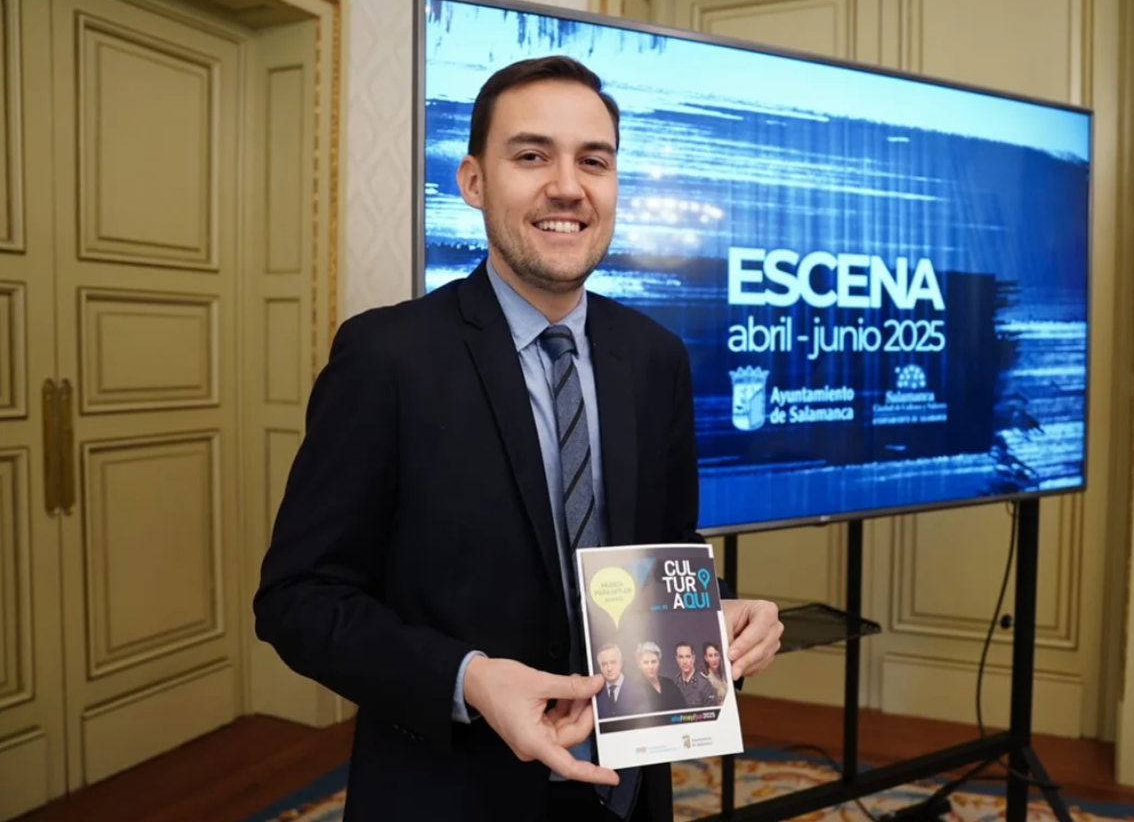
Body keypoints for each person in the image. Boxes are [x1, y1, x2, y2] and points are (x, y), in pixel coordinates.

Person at [252, 54, 784, 822]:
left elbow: (662, 546)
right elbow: (298, 600)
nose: (567, 185)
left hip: (627, 789)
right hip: (451, 790)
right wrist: (467, 678)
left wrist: (725, 614)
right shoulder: (386, 357)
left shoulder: (655, 356)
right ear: (473, 182)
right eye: (531, 155)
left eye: (592, 161)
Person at [594, 644, 651, 719]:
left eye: (613, 662)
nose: (609, 668)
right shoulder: (596, 693)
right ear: (600, 667)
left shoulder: (638, 690)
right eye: (604, 664)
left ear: (621, 663)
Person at [671, 642, 718, 708]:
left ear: (693, 658)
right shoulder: (673, 684)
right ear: (676, 659)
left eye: (688, 656)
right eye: (681, 657)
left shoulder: (704, 684)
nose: (685, 661)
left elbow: (712, 713)